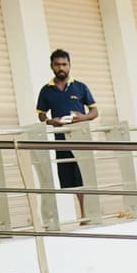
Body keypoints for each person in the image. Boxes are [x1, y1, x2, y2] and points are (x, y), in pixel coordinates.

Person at [35, 49, 98, 225]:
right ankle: (74, 215)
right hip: (61, 138)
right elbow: (41, 114)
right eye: (57, 65)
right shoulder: (46, 90)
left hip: (80, 138)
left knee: (84, 176)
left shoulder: (80, 87)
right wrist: (49, 121)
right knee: (68, 177)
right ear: (52, 66)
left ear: (69, 65)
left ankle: (87, 214)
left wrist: (82, 117)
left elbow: (94, 112)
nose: (61, 68)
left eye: (64, 64)